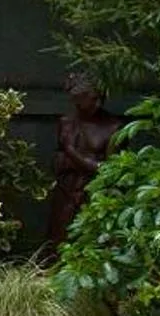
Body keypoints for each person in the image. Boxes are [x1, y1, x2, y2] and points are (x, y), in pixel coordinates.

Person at [45, 72, 117, 250]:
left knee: (92, 243)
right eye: (88, 98)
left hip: (95, 195)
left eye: (97, 98)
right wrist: (66, 159)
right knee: (59, 239)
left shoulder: (113, 128)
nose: (96, 103)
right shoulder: (67, 123)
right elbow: (57, 161)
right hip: (67, 190)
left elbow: (110, 171)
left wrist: (72, 153)